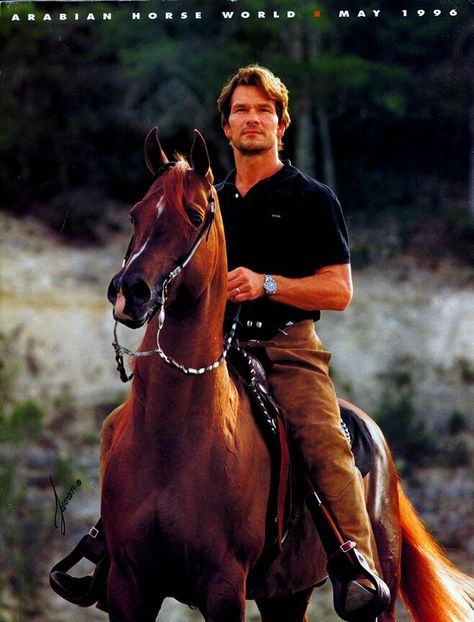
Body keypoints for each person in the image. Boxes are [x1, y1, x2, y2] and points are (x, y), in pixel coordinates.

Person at [50, 65, 390, 618]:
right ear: (226, 129)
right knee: (120, 425)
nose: (251, 118)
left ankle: (355, 566)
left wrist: (268, 284)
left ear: (282, 124)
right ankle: (109, 546)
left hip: (286, 350)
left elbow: (340, 290)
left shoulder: (311, 198)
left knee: (323, 439)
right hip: (213, 349)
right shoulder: (206, 197)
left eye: (262, 110)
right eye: (240, 111)